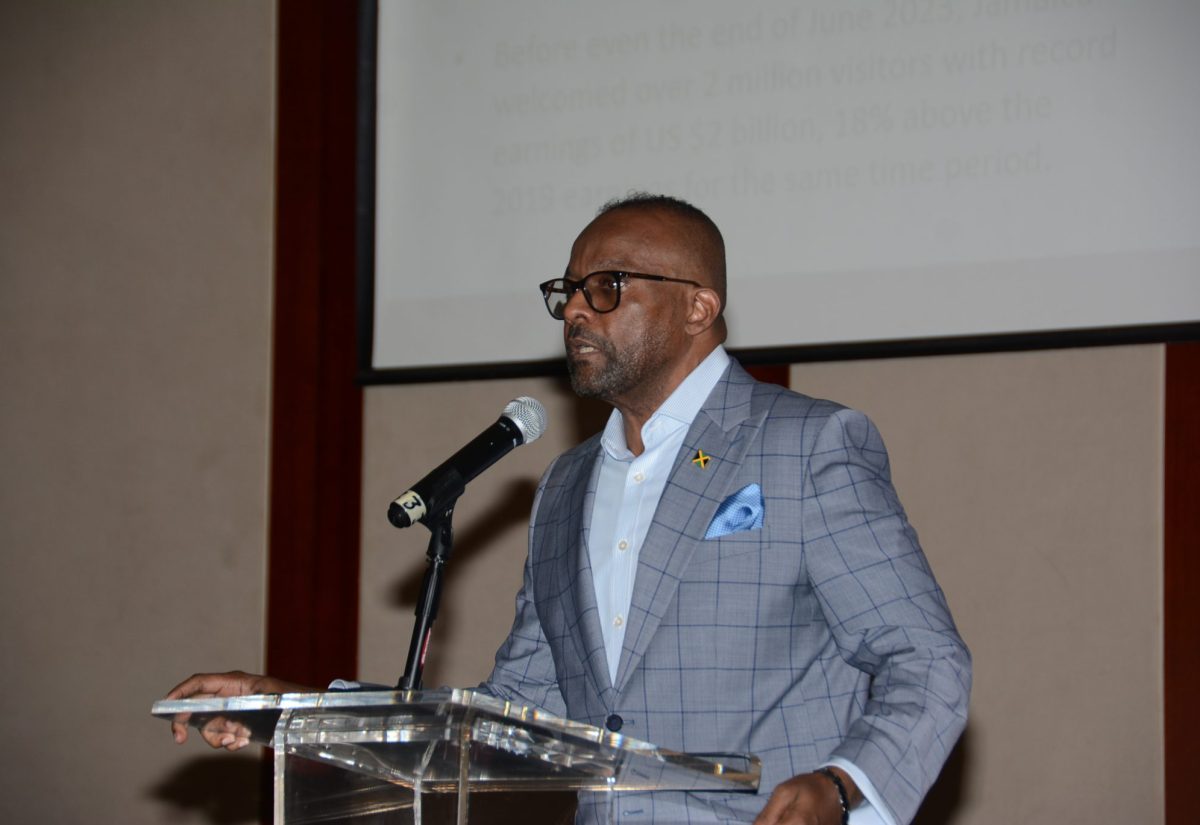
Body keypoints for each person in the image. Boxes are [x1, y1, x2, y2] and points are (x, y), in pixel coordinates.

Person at [168, 194, 970, 825]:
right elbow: (507, 726)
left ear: (699, 306)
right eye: (569, 293)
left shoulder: (807, 443)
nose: (577, 312)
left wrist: (842, 785)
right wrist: (290, 707)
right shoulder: (564, 487)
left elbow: (926, 662)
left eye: (607, 287)